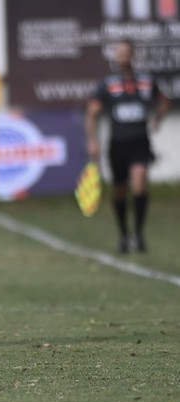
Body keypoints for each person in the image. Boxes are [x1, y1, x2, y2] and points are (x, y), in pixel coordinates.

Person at [85, 40, 169, 253]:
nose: (122, 57)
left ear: (132, 56)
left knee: (139, 185)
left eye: (126, 53)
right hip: (118, 144)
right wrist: (92, 140)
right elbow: (91, 113)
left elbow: (164, 100)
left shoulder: (146, 81)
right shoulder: (108, 84)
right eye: (119, 53)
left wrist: (157, 119)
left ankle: (139, 235)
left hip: (140, 143)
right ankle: (123, 235)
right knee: (120, 191)